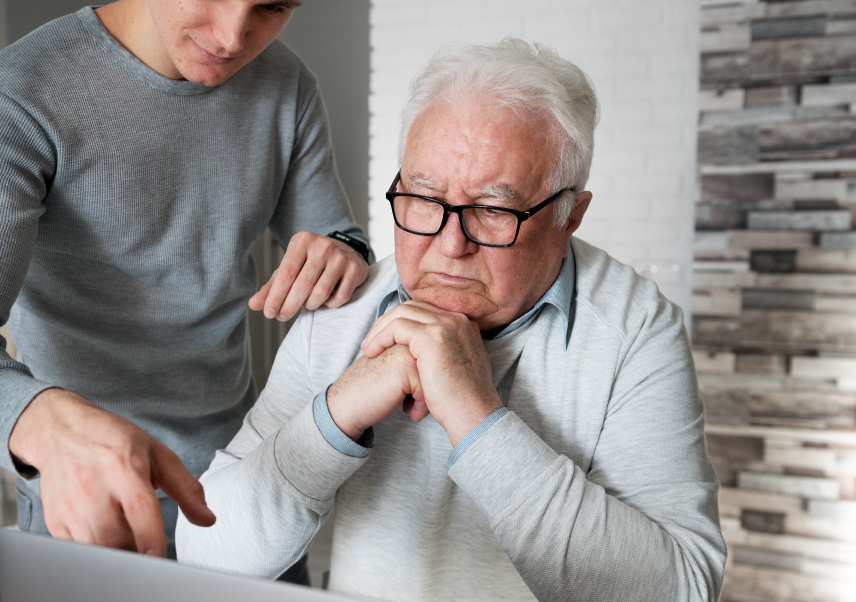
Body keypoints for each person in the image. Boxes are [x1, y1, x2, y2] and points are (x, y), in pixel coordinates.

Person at [176, 38, 727, 601]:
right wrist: (338, 413)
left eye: (492, 209)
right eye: (423, 198)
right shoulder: (344, 306)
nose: (449, 244)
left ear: (570, 216)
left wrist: (475, 416)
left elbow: (683, 590)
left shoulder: (636, 330)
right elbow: (207, 548)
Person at [0, 0, 372, 571]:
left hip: (248, 487)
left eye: (273, 6)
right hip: (90, 502)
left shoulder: (287, 84)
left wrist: (345, 252)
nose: (233, 37)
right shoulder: (17, 96)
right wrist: (41, 422)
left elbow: (337, 234)